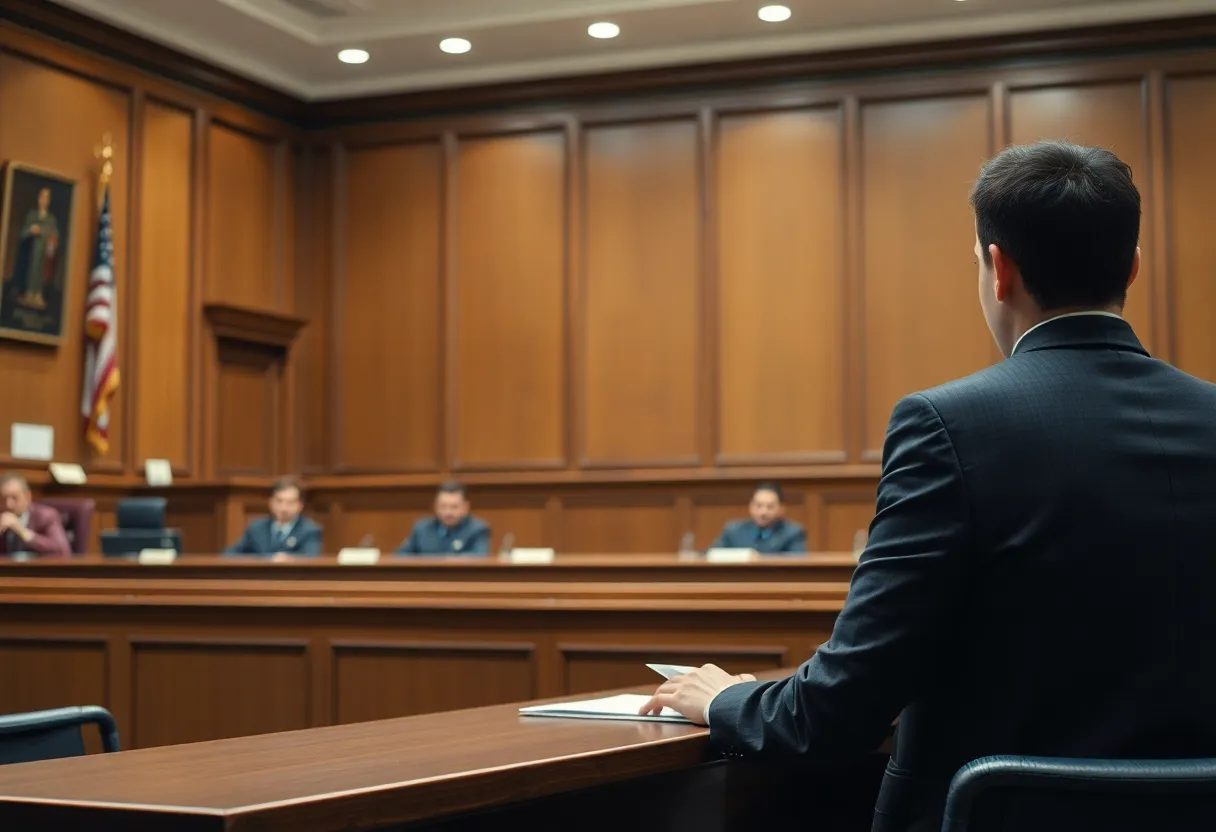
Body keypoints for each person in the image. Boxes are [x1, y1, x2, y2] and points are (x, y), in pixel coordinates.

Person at [641, 140, 1216, 832]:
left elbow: (835, 716)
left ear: (998, 269)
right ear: (1133, 266)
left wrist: (728, 699)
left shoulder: (948, 426)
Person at [223, 477, 322, 559]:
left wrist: (288, 559)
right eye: (279, 501)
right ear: (271, 503)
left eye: (290, 502)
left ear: (300, 505)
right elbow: (229, 554)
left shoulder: (309, 530)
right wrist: (268, 558)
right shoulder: (257, 528)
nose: (284, 508)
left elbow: (310, 558)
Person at [709, 482, 806, 554]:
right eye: (758, 506)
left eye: (770, 507)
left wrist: (759, 559)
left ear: (781, 509)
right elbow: (712, 555)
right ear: (750, 506)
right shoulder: (733, 531)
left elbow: (795, 564)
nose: (763, 512)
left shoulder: (792, 533)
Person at [396, 482, 490, 556]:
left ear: (465, 507)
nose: (448, 512)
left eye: (454, 507)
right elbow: (401, 555)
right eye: (443, 506)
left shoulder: (477, 530)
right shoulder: (422, 529)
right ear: (436, 507)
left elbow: (479, 557)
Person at [0, 472, 71, 558]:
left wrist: (21, 531)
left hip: (39, 570)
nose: (8, 504)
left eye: (15, 498)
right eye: (3, 499)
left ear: (27, 497)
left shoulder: (45, 516)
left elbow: (62, 551)